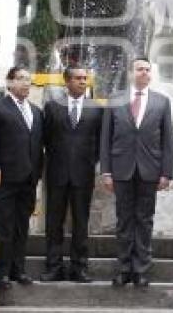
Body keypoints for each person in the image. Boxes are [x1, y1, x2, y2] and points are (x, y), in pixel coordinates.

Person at [100, 57, 173, 287]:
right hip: (121, 170)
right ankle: (123, 269)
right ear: (131, 73)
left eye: (147, 70)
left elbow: (167, 140)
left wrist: (166, 172)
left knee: (145, 220)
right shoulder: (115, 100)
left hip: (149, 171)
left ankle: (141, 269)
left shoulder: (162, 102)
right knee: (123, 221)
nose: (144, 73)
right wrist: (106, 171)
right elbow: (105, 138)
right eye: (140, 69)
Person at [0, 66, 43, 290]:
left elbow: (38, 145)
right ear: (9, 83)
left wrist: (38, 174)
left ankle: (19, 270)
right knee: (4, 227)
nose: (26, 83)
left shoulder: (36, 111)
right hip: (3, 179)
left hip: (28, 179)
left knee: (21, 226)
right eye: (21, 79)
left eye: (29, 80)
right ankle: (2, 273)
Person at [40, 66, 103, 283]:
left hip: (83, 175)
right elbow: (45, 139)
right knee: (53, 222)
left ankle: (79, 268)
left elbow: (99, 143)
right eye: (77, 78)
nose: (82, 81)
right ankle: (53, 267)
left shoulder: (96, 108)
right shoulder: (52, 107)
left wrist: (89, 163)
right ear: (66, 81)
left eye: (85, 78)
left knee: (81, 222)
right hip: (56, 173)